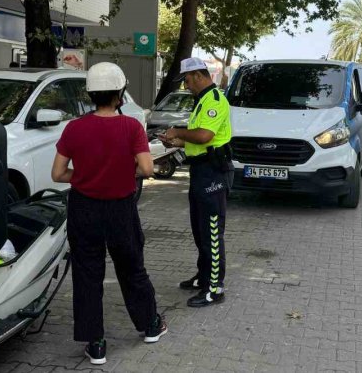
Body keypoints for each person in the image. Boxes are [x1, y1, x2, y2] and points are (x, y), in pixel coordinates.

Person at [51, 62, 166, 366]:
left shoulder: (74, 128)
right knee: (132, 267)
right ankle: (150, 325)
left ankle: (96, 344)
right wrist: (121, 170)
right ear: (119, 94)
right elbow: (146, 168)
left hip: (83, 209)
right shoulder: (131, 127)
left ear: (91, 94)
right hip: (120, 209)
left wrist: (84, 175)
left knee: (88, 274)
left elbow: (58, 174)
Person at [160, 57, 233, 308]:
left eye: (188, 80)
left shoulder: (214, 101)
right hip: (201, 171)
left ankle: (215, 288)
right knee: (199, 229)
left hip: (213, 173)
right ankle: (203, 277)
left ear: (199, 76)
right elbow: (199, 140)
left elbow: (204, 135)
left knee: (212, 232)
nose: (186, 85)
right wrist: (175, 142)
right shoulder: (201, 101)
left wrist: (177, 132)